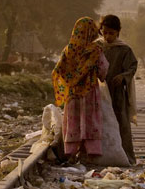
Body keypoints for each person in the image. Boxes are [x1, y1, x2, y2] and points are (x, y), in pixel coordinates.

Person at [52, 17, 108, 162]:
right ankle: (91, 153)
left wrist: (71, 79)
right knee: (90, 121)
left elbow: (59, 69)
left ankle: (70, 152)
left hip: (73, 93)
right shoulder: (95, 50)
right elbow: (103, 70)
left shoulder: (68, 50)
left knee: (73, 120)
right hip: (89, 91)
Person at [96, 14, 138, 165]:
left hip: (118, 92)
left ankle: (127, 157)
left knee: (122, 123)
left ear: (118, 32)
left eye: (111, 33)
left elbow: (132, 66)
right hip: (99, 93)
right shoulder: (96, 47)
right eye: (104, 32)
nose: (107, 36)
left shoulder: (124, 49)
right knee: (100, 122)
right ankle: (100, 155)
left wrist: (123, 76)